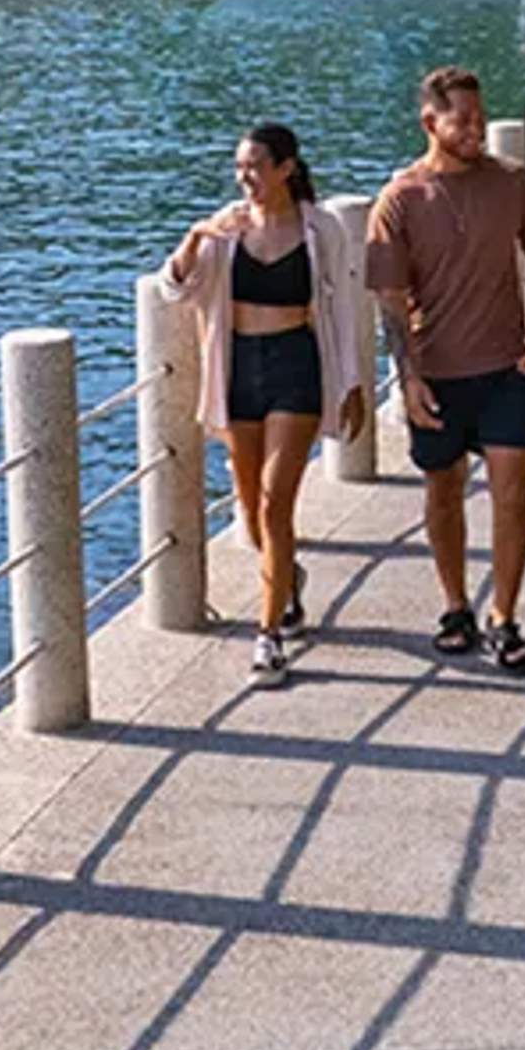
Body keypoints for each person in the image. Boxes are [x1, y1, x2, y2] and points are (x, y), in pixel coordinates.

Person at [366, 66, 525, 672]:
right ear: (431, 123)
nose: (477, 129)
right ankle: (456, 605)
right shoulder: (400, 200)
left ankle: (504, 615)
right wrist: (409, 377)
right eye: (463, 121)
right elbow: (391, 302)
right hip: (439, 373)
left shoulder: (512, 182)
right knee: (443, 492)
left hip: (507, 366)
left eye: (481, 117)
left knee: (513, 493)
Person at [154, 124, 366, 688]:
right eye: (239, 166)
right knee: (249, 511)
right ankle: (287, 576)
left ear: (286, 169)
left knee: (275, 505)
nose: (244, 177)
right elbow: (173, 287)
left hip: (296, 366)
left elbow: (342, 307)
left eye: (254, 166)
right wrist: (197, 237)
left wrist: (351, 383)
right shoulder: (225, 227)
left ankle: (267, 635)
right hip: (238, 368)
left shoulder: (320, 228)